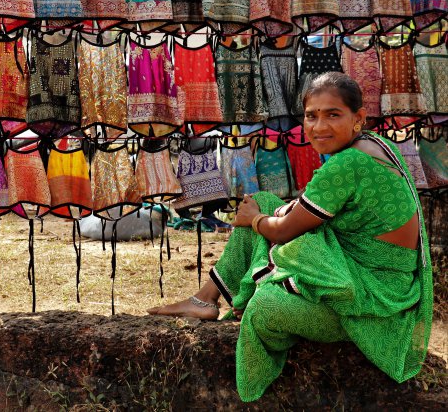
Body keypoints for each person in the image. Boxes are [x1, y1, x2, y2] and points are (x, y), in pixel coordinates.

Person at [148, 72, 433, 402]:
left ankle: (245, 339)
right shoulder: (375, 145)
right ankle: (204, 299)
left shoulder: (348, 163)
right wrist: (264, 215)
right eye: (312, 116)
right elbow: (305, 214)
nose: (319, 127)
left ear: (358, 119)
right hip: (365, 273)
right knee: (267, 203)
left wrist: (254, 221)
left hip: (373, 303)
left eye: (333, 115)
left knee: (264, 307)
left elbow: (284, 231)